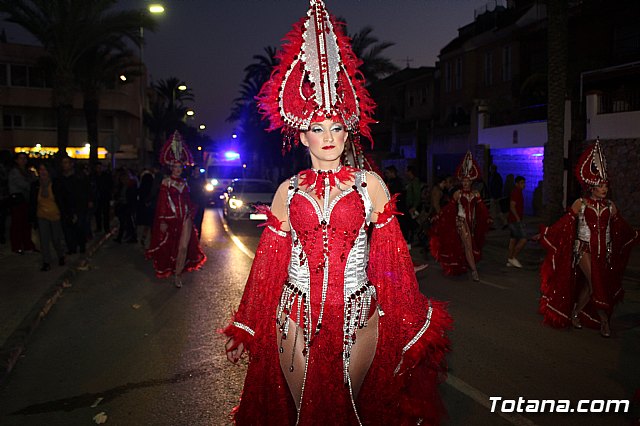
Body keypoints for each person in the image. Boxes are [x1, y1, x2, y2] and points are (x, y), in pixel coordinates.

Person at [223, 2, 451, 424]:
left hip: (357, 314)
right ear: (302, 133)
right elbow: (269, 266)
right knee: (305, 411)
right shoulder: (287, 190)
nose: (328, 137)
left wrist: (405, 315)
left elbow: (391, 260)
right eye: (317, 127)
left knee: (347, 409)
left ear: (349, 130)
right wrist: (250, 321)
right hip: (295, 314)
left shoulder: (372, 186)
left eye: (336, 127)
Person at [538, 141, 639, 337]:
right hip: (584, 249)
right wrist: (547, 233)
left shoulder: (611, 206)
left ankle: (576, 312)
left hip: (604, 252)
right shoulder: (581, 203)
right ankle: (604, 323)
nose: (604, 189)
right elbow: (564, 224)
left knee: (591, 286)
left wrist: (635, 234)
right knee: (597, 284)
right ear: (591, 187)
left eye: (605, 185)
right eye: (600, 185)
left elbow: (622, 228)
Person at [145, 131, 206, 288]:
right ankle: (172, 269)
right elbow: (162, 203)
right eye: (175, 167)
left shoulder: (185, 183)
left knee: (184, 246)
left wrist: (191, 213)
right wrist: (163, 221)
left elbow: (188, 200)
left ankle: (178, 275)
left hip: (184, 218)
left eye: (180, 167)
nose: (178, 169)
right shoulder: (166, 183)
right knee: (171, 247)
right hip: (171, 220)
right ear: (171, 167)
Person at [429, 152, 491, 281]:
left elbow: (482, 210)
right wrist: (439, 216)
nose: (465, 183)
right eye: (464, 181)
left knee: (469, 245)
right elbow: (449, 209)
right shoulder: (457, 194)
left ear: (471, 182)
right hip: (461, 222)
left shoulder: (476, 194)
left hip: (472, 223)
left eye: (468, 181)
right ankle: (474, 271)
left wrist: (487, 218)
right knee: (468, 245)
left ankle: (466, 264)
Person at [30, 163, 65, 271]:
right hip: (41, 215)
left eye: (45, 170)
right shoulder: (36, 185)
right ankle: (46, 262)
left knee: (56, 238)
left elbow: (62, 200)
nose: (42, 172)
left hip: (54, 215)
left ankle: (60, 255)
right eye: (40, 170)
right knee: (44, 240)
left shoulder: (55, 184)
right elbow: (32, 202)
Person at [58, 155, 89, 254]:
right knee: (68, 229)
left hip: (78, 206)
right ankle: (71, 247)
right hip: (66, 206)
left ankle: (81, 245)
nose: (65, 165)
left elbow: (83, 192)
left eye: (67, 163)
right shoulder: (61, 178)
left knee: (79, 227)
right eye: (63, 163)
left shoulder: (79, 177)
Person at [8, 152, 36, 254]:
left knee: (26, 223)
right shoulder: (15, 172)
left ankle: (27, 244)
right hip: (18, 200)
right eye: (21, 158)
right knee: (17, 224)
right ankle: (17, 246)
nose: (23, 160)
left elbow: (33, 181)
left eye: (25, 158)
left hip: (26, 200)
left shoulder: (27, 171)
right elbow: (24, 185)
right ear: (16, 160)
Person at [506, 176, 527, 268]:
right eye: (522, 183)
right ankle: (513, 257)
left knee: (513, 240)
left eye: (524, 183)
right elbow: (512, 206)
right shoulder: (516, 192)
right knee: (523, 239)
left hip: (513, 220)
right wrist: (518, 218)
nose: (524, 185)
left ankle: (510, 258)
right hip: (514, 221)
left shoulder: (518, 192)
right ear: (517, 184)